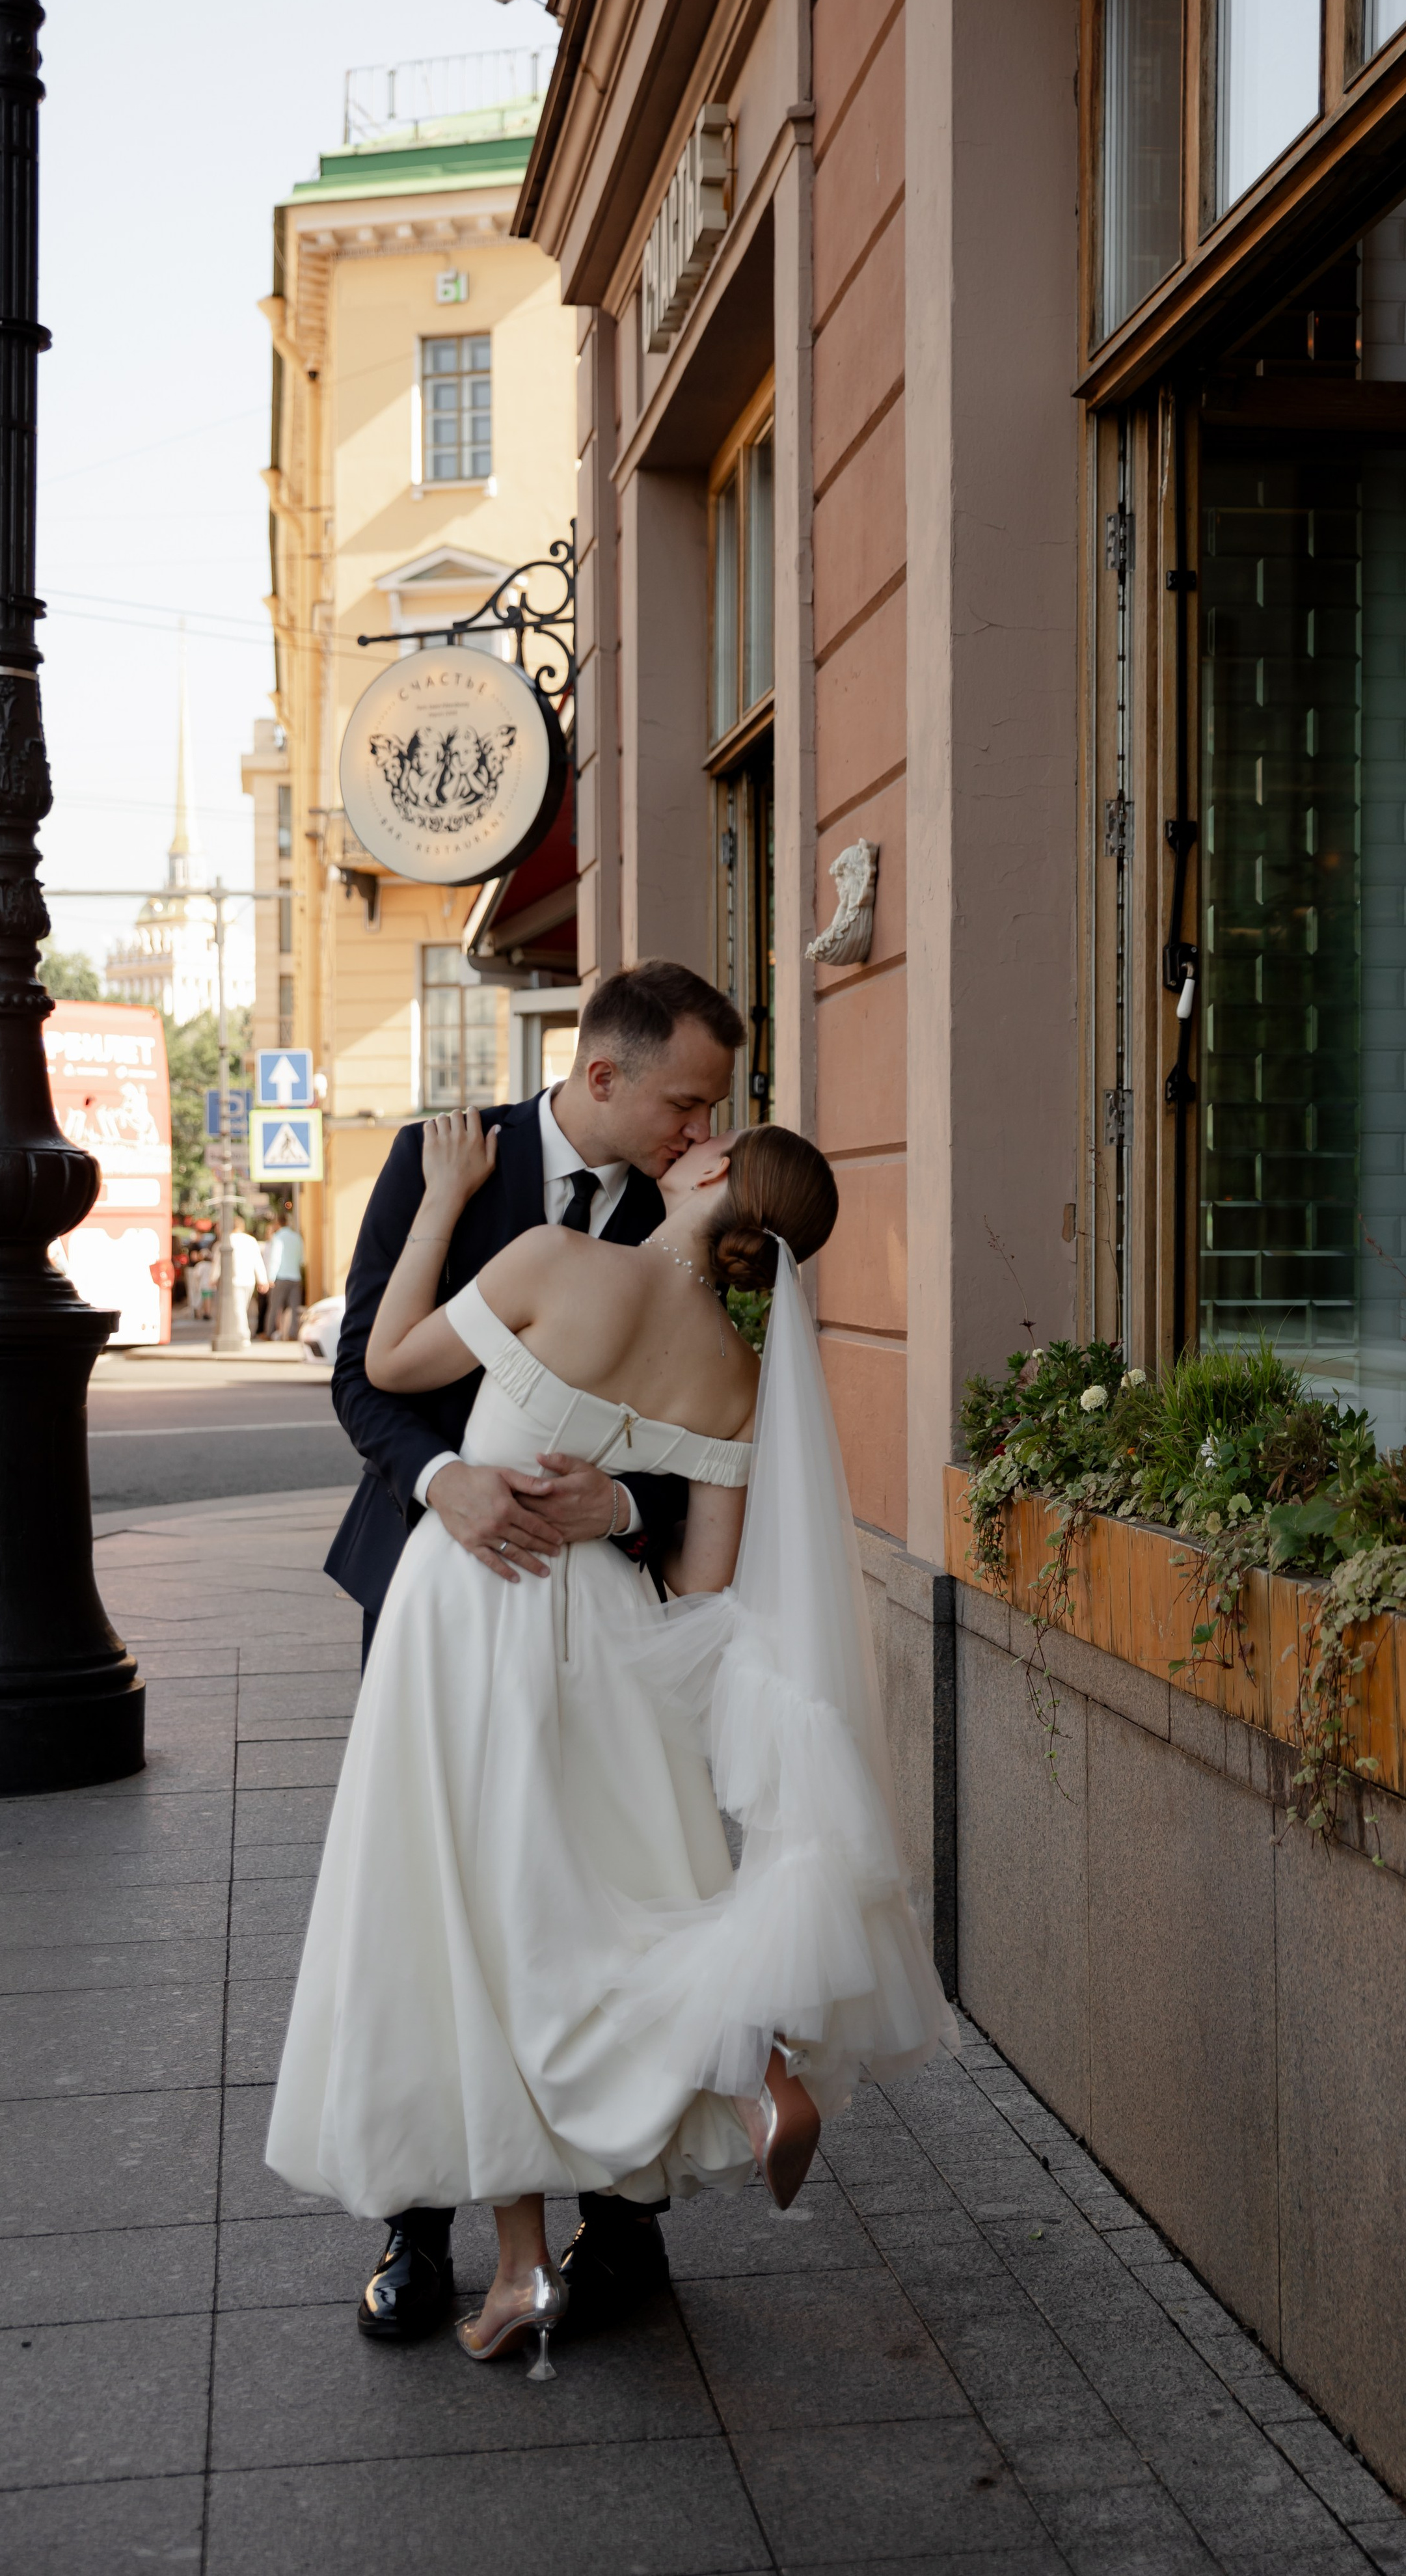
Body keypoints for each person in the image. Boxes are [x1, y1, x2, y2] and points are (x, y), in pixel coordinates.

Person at [267, 1113, 954, 2378]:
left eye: (709, 1138)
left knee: (475, 1918)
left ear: (711, 1181)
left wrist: (438, 1204)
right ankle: (721, 2088)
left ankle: (536, 2248)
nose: (690, 1137)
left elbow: (388, 1358)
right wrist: (622, 1502)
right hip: (610, 1633)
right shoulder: (736, 1373)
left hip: (465, 1613)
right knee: (570, 1907)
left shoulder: (551, 1259)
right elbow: (702, 1575)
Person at [318, 962, 746, 2333]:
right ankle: (413, 2221)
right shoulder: (447, 1159)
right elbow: (359, 1372)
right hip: (438, 1593)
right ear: (603, 1075)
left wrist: (616, 1505)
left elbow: (694, 1473)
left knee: (593, 1883)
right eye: (686, 1099)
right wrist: (440, 1481)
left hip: (593, 1620)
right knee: (434, 1897)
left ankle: (616, 2217)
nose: (700, 1130)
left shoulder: (701, 1239)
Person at [264, 1208, 305, 1338]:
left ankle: (269, 1333)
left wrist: (271, 1277)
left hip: (281, 1277)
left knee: (274, 1307)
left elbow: (276, 1258)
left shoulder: (278, 1237)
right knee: (294, 1309)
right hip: (295, 1276)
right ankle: (293, 1334)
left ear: (278, 1223)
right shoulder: (297, 1237)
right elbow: (302, 1258)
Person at [225, 1221, 271, 1337]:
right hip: (249, 1280)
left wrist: (214, 1278)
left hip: (234, 1280)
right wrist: (262, 1280)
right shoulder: (251, 1240)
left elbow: (219, 1261)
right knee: (241, 1307)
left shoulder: (228, 1240)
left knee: (238, 1308)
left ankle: (243, 1334)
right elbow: (258, 1261)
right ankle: (239, 1333)